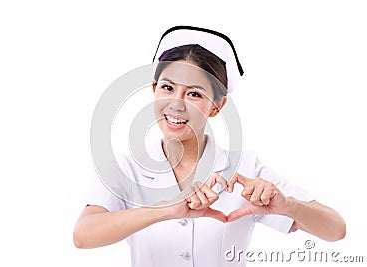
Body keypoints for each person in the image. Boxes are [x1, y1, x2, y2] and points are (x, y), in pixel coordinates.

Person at [73, 26, 346, 267]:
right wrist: (167, 210)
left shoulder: (245, 168)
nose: (177, 104)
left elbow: (336, 229)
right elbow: (83, 235)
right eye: (168, 88)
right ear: (154, 89)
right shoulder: (127, 167)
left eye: (194, 93)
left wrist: (289, 207)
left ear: (217, 106)